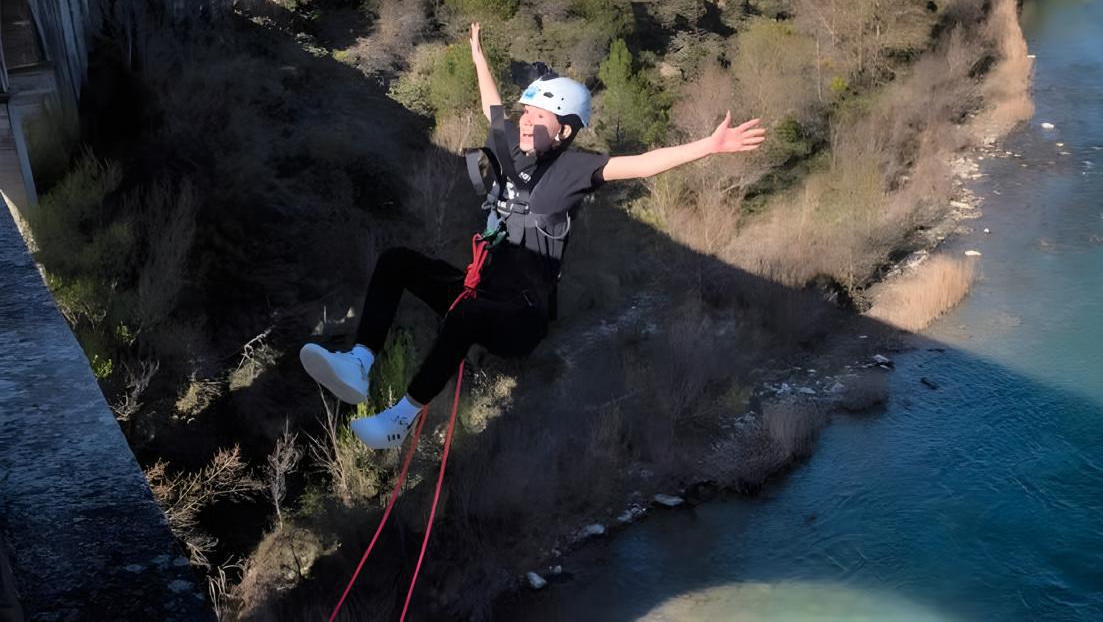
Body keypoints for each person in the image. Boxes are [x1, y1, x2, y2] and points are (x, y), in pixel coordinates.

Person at [300, 23, 766, 449]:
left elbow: (641, 163)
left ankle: (400, 420)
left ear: (563, 131)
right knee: (398, 260)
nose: (525, 120)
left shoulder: (575, 170)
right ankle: (360, 363)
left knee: (464, 320)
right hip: (476, 290)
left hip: (520, 319)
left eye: (539, 117)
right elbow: (493, 108)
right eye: (526, 112)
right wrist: (480, 58)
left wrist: (710, 145)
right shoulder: (511, 150)